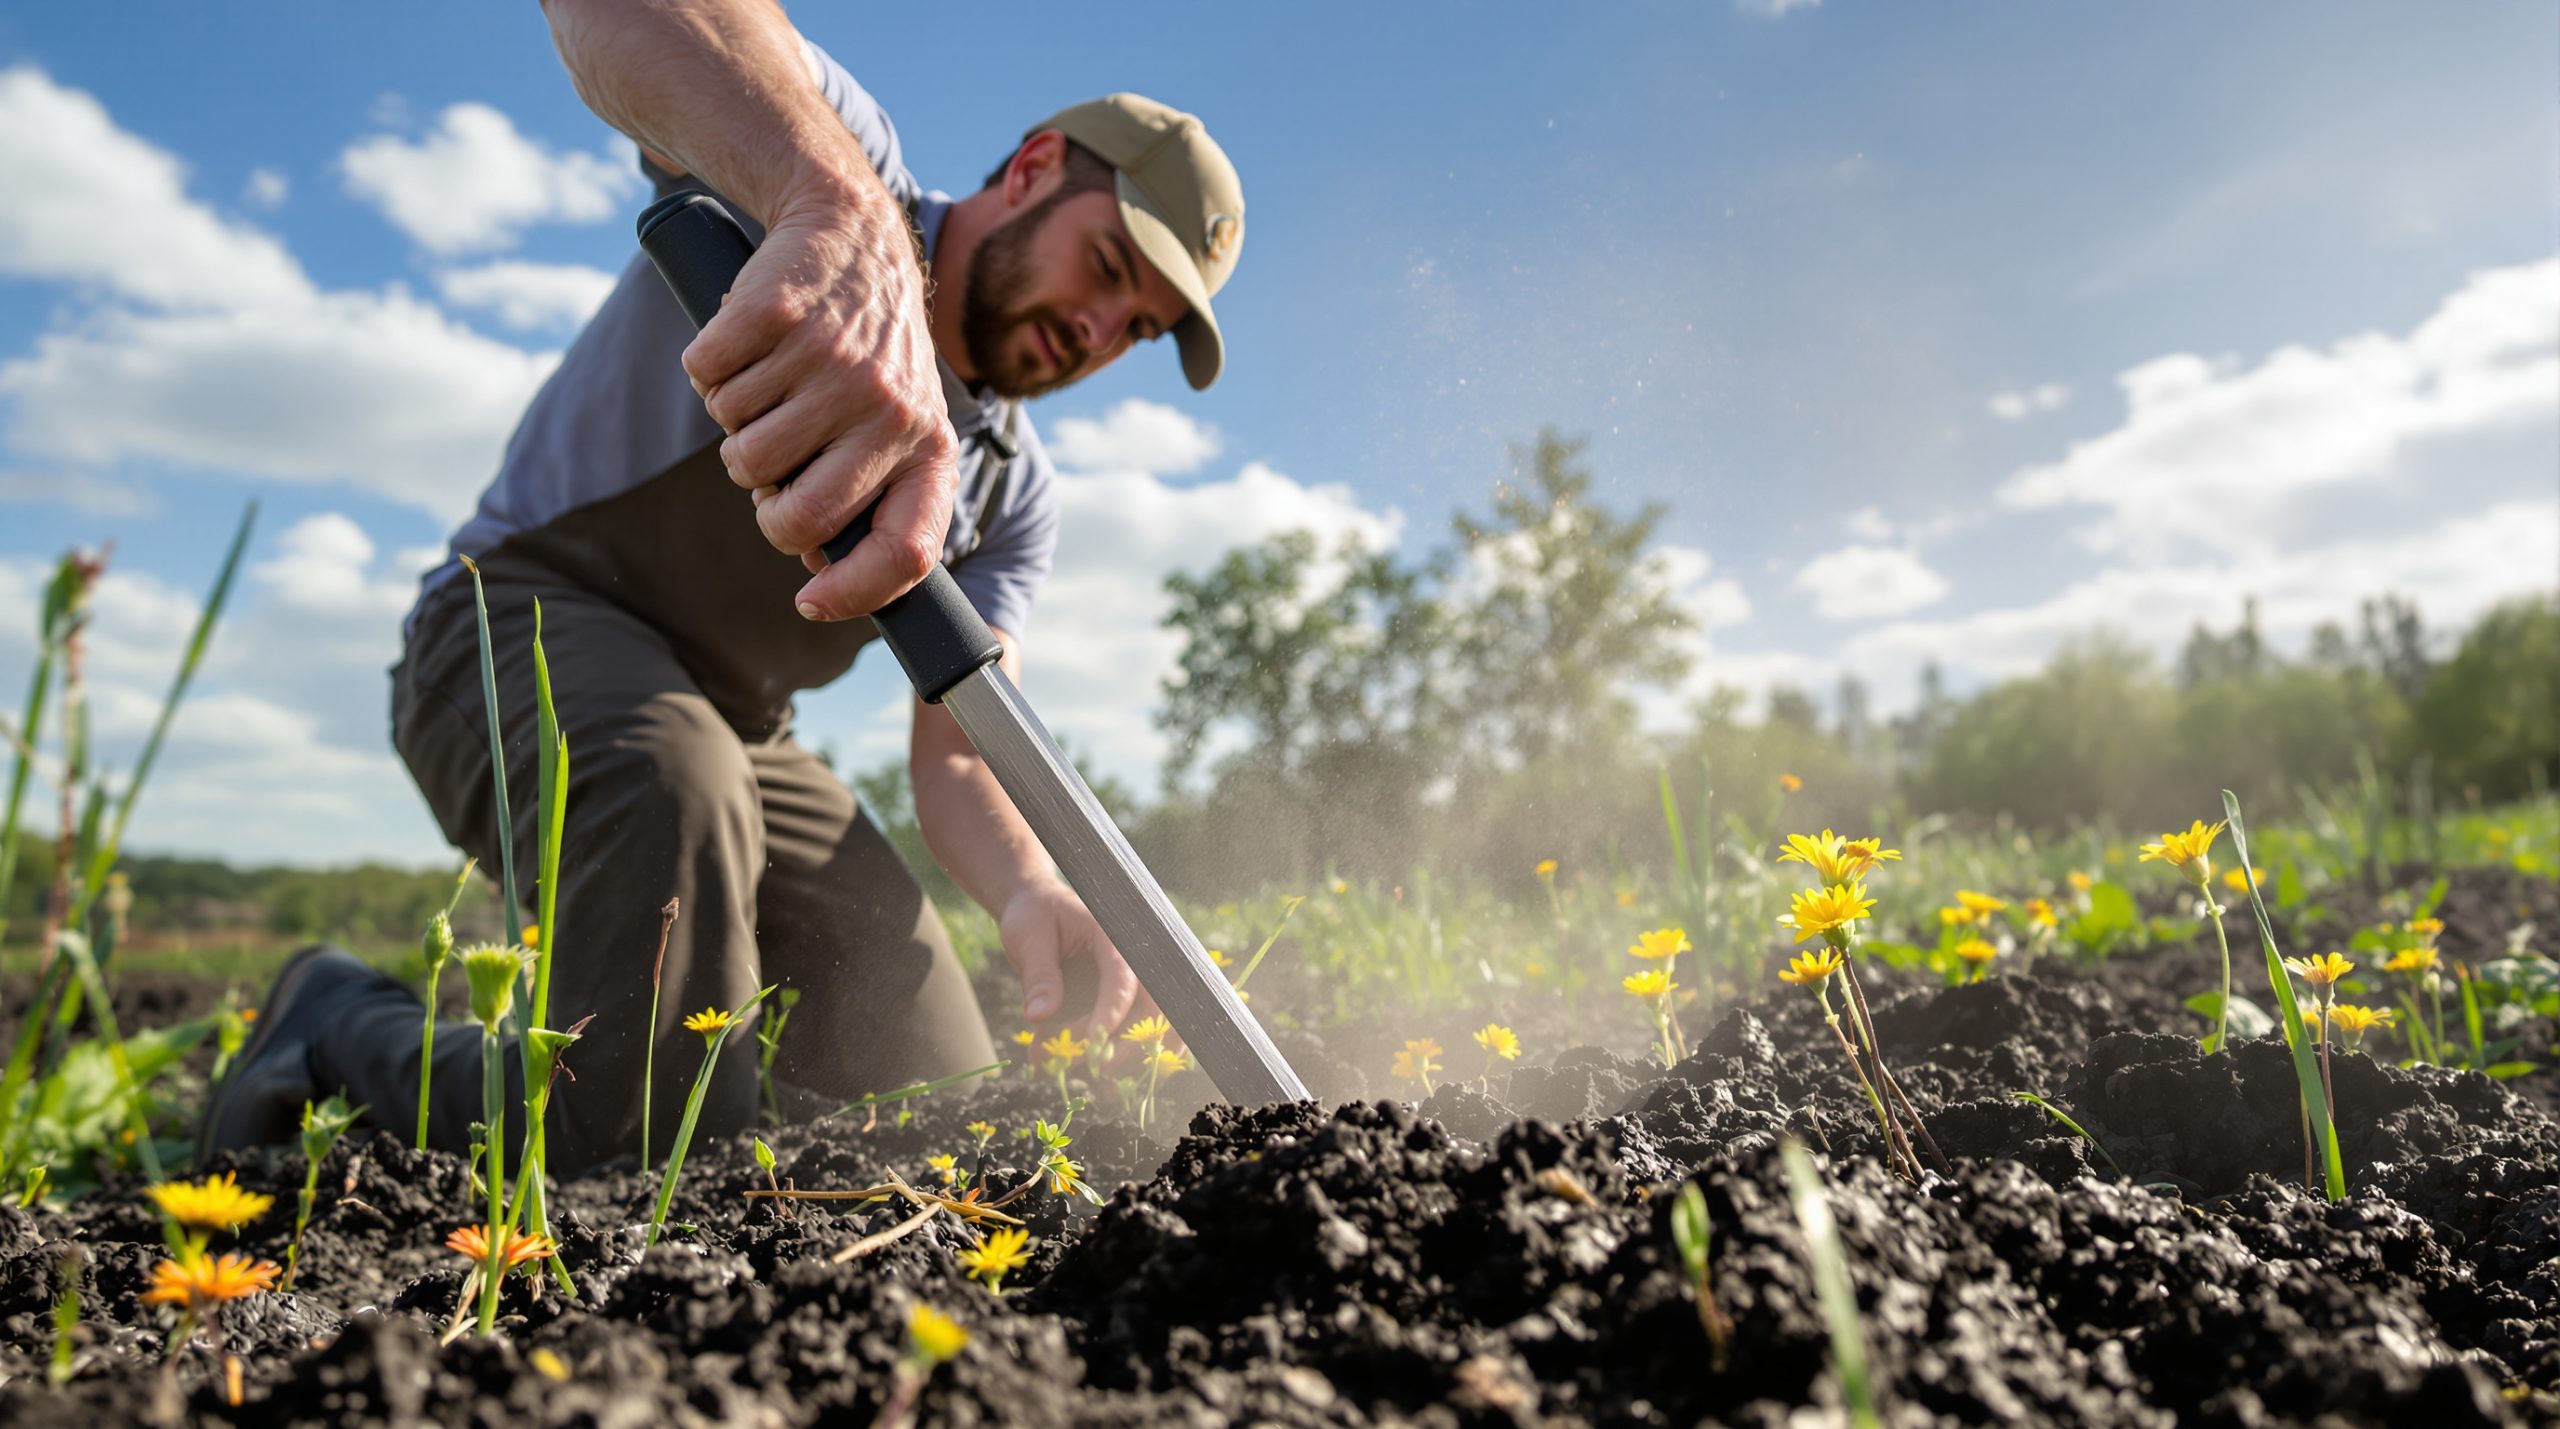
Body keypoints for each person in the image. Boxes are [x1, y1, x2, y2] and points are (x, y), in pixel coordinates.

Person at [199, 0, 1247, 1174]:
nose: (1099, 327)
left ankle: (692, 1127)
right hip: (508, 630)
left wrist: (1031, 884)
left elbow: (954, 750)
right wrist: (833, 213)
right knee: (664, 898)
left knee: (921, 1078)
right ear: (1036, 167)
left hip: (741, 737)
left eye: (1137, 328)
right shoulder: (829, 161)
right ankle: (342, 1023)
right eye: (1108, 266)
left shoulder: (1009, 492)